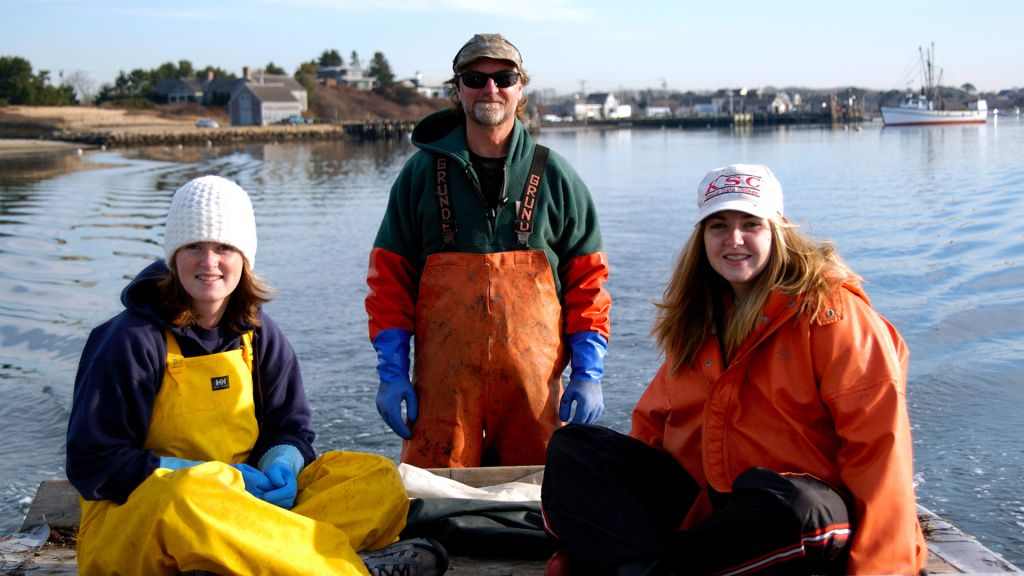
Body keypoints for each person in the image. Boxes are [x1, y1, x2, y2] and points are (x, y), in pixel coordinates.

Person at [541, 164, 928, 575]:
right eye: (718, 225)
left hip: (801, 511)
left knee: (797, 510)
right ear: (702, 237)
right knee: (575, 448)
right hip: (714, 509)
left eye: (751, 224)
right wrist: (619, 512)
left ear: (778, 230)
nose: (734, 239)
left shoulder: (832, 315)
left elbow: (879, 447)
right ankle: (643, 563)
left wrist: (883, 568)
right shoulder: (700, 316)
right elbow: (653, 428)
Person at [66, 175, 449, 576]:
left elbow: (292, 429)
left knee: (376, 478)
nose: (209, 262)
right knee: (185, 500)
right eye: (194, 246)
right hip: (143, 522)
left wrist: (280, 461)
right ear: (174, 255)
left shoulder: (259, 336)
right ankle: (348, 570)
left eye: (224, 247)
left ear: (244, 259)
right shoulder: (128, 341)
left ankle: (250, 560)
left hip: (247, 509)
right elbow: (93, 464)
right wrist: (209, 479)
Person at [365, 33, 611, 468]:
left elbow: (588, 284)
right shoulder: (419, 174)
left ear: (521, 87)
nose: (490, 88)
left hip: (535, 396)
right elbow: (389, 283)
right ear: (457, 90)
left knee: (541, 503)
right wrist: (391, 372)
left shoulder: (556, 175)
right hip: (441, 395)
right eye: (475, 78)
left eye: (504, 77)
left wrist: (588, 372)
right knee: (437, 504)